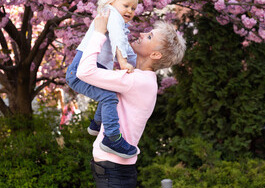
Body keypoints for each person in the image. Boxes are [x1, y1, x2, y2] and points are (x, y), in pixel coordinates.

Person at [76, 10, 186, 187]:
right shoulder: (142, 77)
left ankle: (95, 125)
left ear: (156, 55)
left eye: (149, 37)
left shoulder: (136, 80)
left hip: (113, 171)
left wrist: (98, 33)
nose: (142, 34)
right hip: (115, 169)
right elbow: (124, 49)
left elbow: (83, 72)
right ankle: (95, 124)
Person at [66, 0, 139, 158]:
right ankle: (112, 138)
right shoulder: (110, 13)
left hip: (91, 69)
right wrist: (123, 62)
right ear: (111, 2)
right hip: (79, 71)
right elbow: (118, 39)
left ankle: (96, 124)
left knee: (109, 91)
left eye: (133, 8)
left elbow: (127, 48)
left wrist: (137, 66)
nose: (130, 10)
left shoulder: (116, 20)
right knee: (108, 96)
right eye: (126, 5)